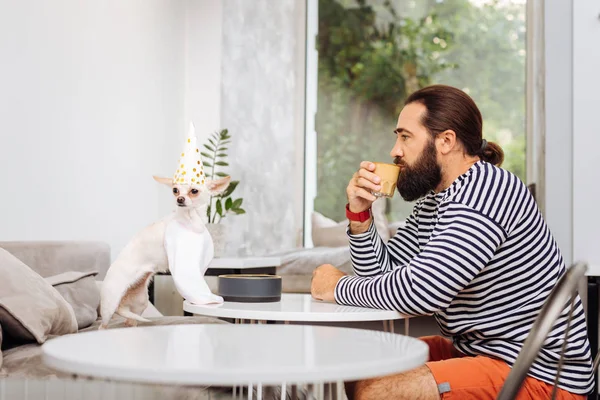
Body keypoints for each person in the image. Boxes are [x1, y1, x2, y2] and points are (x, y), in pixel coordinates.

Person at [311, 85, 593, 399]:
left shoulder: (487, 190)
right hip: (481, 352)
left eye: (405, 137)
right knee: (361, 360)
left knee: (380, 389)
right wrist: (360, 216)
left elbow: (422, 291)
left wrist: (336, 287)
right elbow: (379, 276)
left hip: (536, 375)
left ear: (446, 141)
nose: (395, 150)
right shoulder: (434, 202)